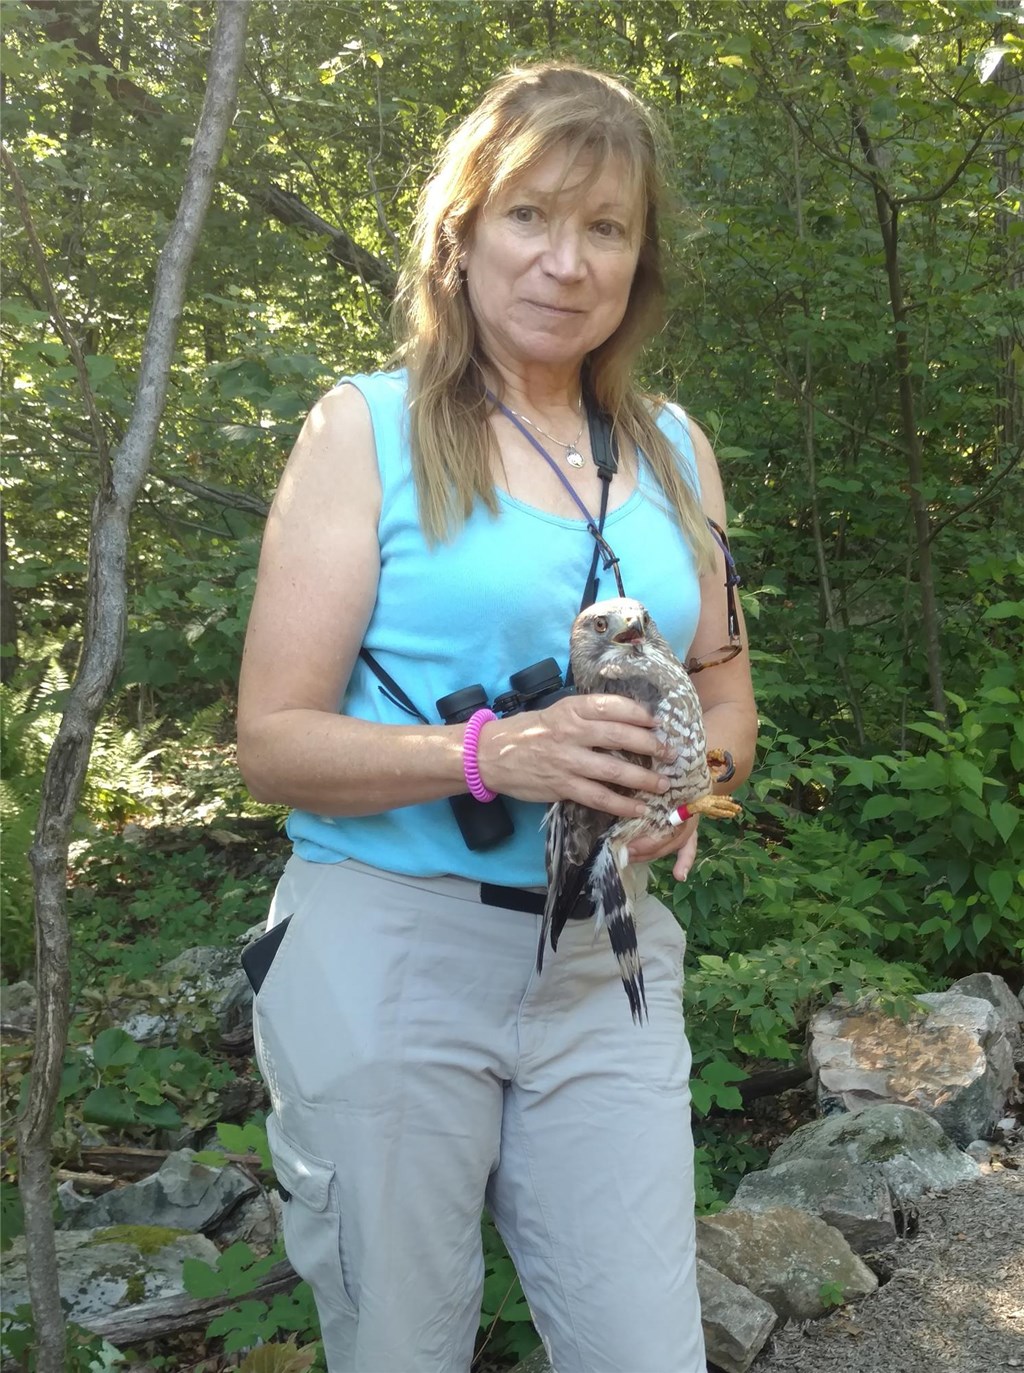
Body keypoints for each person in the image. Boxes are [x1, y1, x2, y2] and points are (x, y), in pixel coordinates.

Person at [237, 60, 757, 1373]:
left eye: (607, 228)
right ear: (461, 233)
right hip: (388, 951)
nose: (567, 262)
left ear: (640, 263)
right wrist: (493, 750)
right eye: (531, 216)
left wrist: (686, 789)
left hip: (606, 964)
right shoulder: (364, 431)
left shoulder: (677, 451)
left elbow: (727, 692)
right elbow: (271, 740)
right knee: (401, 1346)